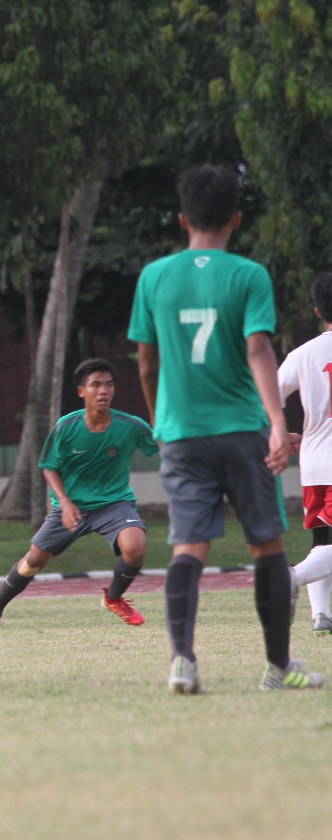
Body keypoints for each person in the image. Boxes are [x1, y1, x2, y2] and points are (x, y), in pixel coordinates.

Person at [129, 164, 323, 693]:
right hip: (242, 430)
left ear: (181, 218)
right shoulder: (247, 276)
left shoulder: (155, 277)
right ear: (236, 218)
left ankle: (182, 662)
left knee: (188, 547)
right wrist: (278, 420)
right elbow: (258, 350)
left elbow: (146, 363)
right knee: (267, 546)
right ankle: (278, 669)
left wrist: (158, 419)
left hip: (182, 434)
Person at [0, 359, 157, 631]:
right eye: (95, 385)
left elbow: (162, 442)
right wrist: (65, 503)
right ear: (82, 391)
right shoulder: (66, 427)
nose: (103, 391)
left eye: (108, 385)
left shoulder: (130, 426)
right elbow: (48, 467)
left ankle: (113, 598)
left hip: (114, 504)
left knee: (135, 548)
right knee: (32, 563)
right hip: (70, 507)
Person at [278, 271, 332, 635]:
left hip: (313, 462)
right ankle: (287, 579)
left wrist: (280, 433)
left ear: (316, 311)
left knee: (324, 540)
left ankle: (321, 615)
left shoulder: (301, 355)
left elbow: (264, 399)